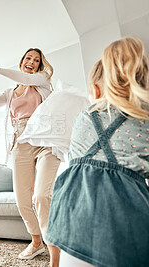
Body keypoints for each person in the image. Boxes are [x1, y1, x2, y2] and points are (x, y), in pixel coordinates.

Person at [46, 37, 149, 267]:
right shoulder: (145, 123)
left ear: (94, 90)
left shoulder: (83, 117)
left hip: (71, 224)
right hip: (126, 235)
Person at [0, 48, 61, 266]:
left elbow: (26, 78)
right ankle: (36, 242)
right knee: (22, 199)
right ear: (22, 61)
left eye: (36, 60)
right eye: (28, 58)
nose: (32, 61)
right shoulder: (10, 93)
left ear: (39, 66)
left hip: (45, 142)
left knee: (41, 196)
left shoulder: (42, 81)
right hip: (21, 145)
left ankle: (55, 248)